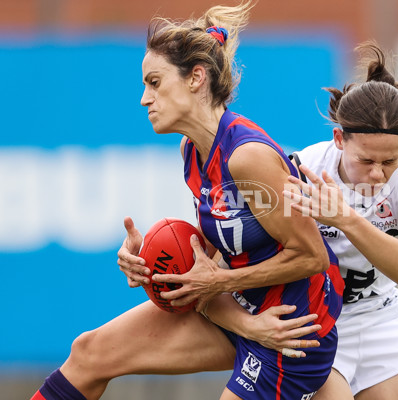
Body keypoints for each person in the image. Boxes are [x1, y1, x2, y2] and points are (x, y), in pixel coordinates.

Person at [30, 2, 343, 400]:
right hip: (242, 313)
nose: (145, 99)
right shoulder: (191, 150)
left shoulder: (246, 156)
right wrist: (150, 262)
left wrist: (221, 281)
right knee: (90, 353)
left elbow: (311, 256)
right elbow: (213, 253)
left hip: (288, 327)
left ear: (196, 78)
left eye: (155, 83)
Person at [282, 42, 398, 399]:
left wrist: (344, 218)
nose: (378, 175)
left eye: (389, 161)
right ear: (338, 139)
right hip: (316, 325)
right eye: (365, 161)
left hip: (381, 322)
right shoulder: (301, 171)